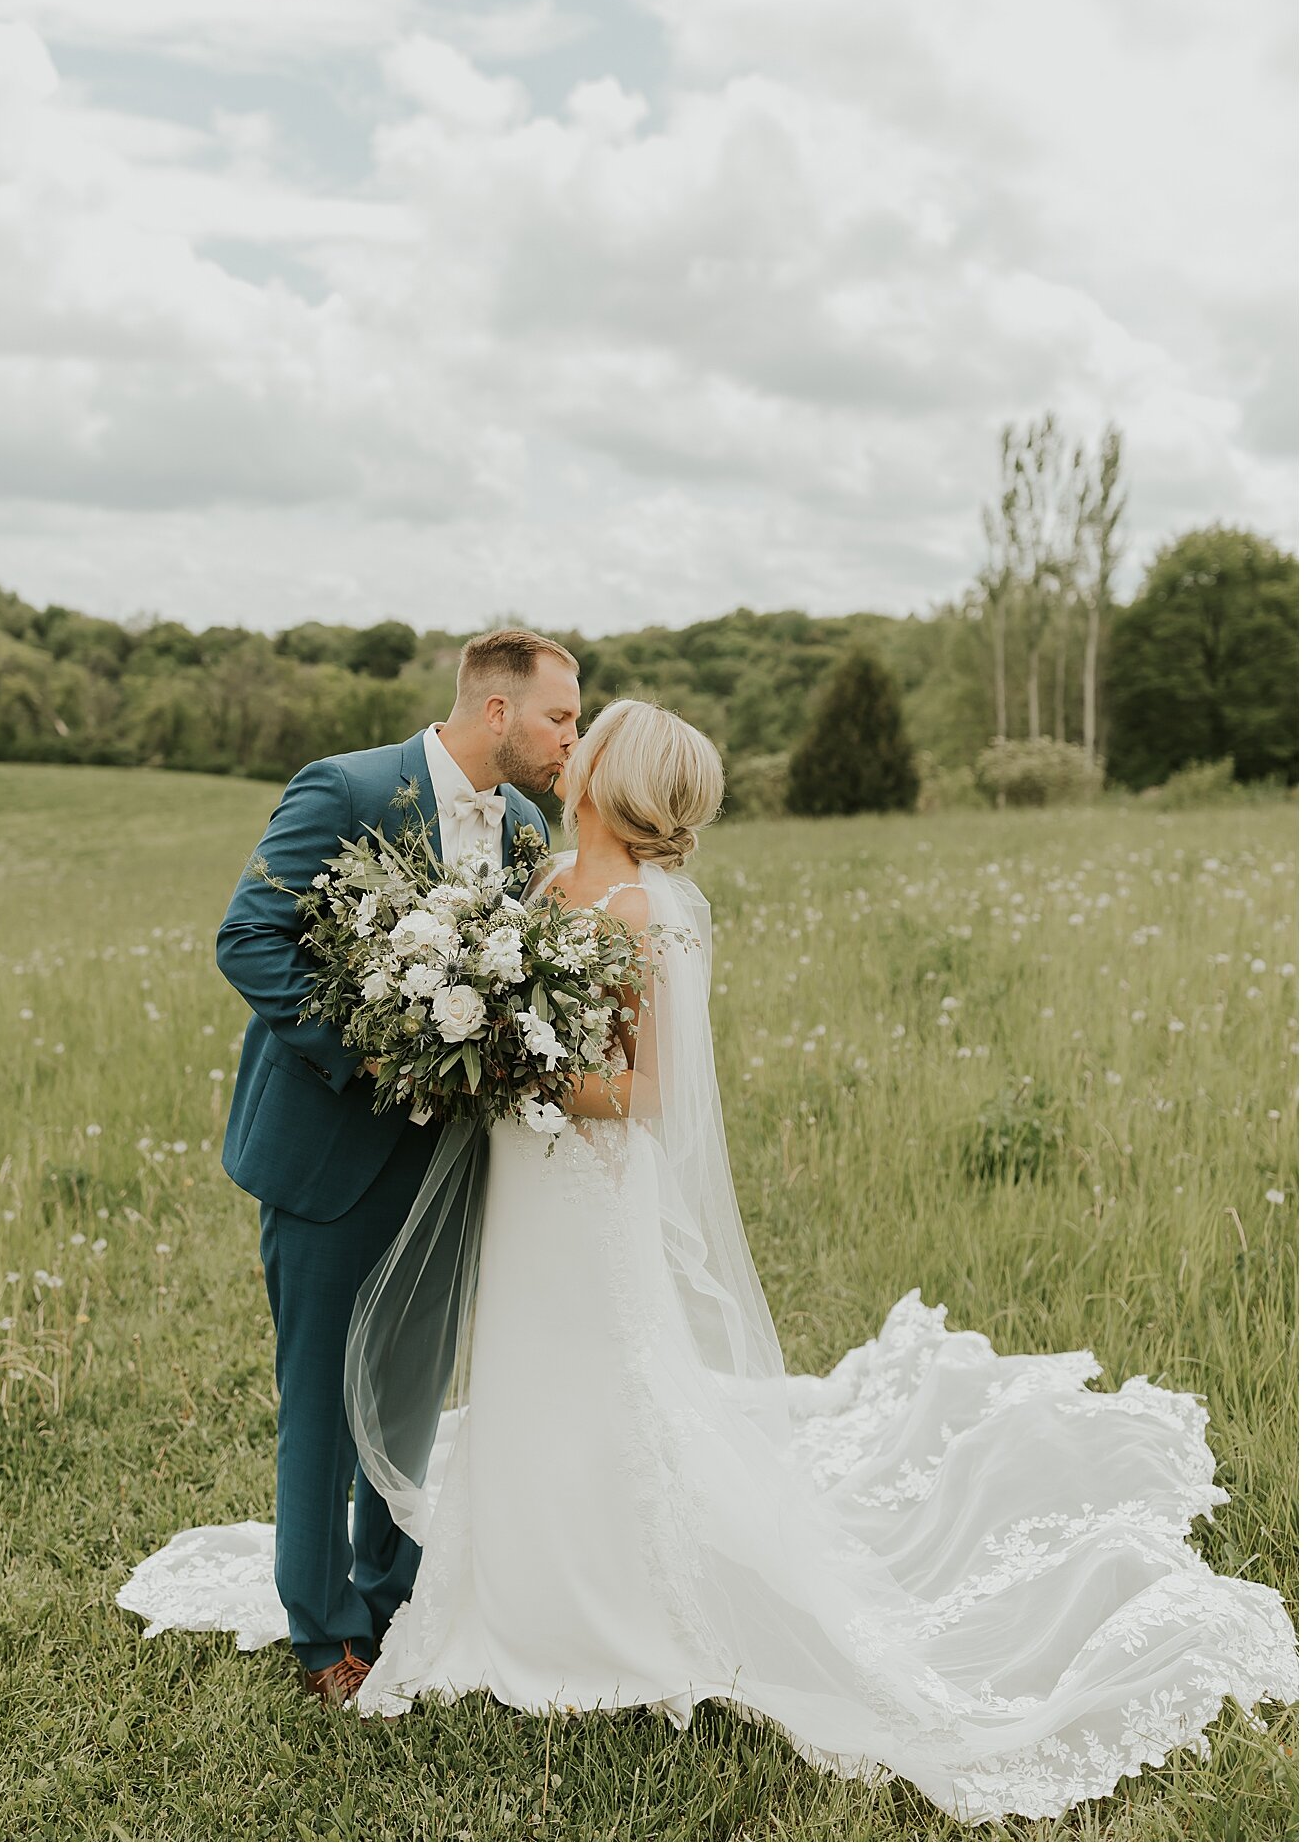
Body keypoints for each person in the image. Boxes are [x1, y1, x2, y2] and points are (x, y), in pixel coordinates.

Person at [121, 698, 1298, 1825]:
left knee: (594, 1378)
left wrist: (503, 1054)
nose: (569, 743)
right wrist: (481, 1029)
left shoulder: (642, 910)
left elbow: (647, 1092)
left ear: (606, 778)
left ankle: (593, 1598)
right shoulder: (540, 865)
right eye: (565, 722)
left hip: (580, 1187)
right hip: (524, 1181)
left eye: (588, 732)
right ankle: (491, 1575)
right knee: (523, 1379)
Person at [188, 628, 577, 1706]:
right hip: (330, 1148)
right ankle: (323, 1634)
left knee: (406, 1393)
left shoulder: (532, 829)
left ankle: (395, 1592)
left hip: (452, 1161)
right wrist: (371, 1051)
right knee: (321, 1398)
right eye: (561, 717)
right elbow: (248, 937)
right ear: (497, 711)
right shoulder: (346, 787)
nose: (569, 741)